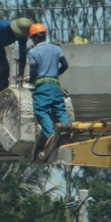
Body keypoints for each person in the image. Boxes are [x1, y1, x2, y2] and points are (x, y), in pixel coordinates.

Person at [25, 23, 69, 155]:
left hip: (42, 86)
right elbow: (65, 65)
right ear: (45, 35)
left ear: (34, 38)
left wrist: (32, 79)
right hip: (55, 85)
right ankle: (67, 131)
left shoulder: (33, 52)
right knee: (59, 109)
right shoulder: (56, 49)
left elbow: (33, 71)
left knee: (41, 110)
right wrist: (54, 74)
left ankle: (51, 135)